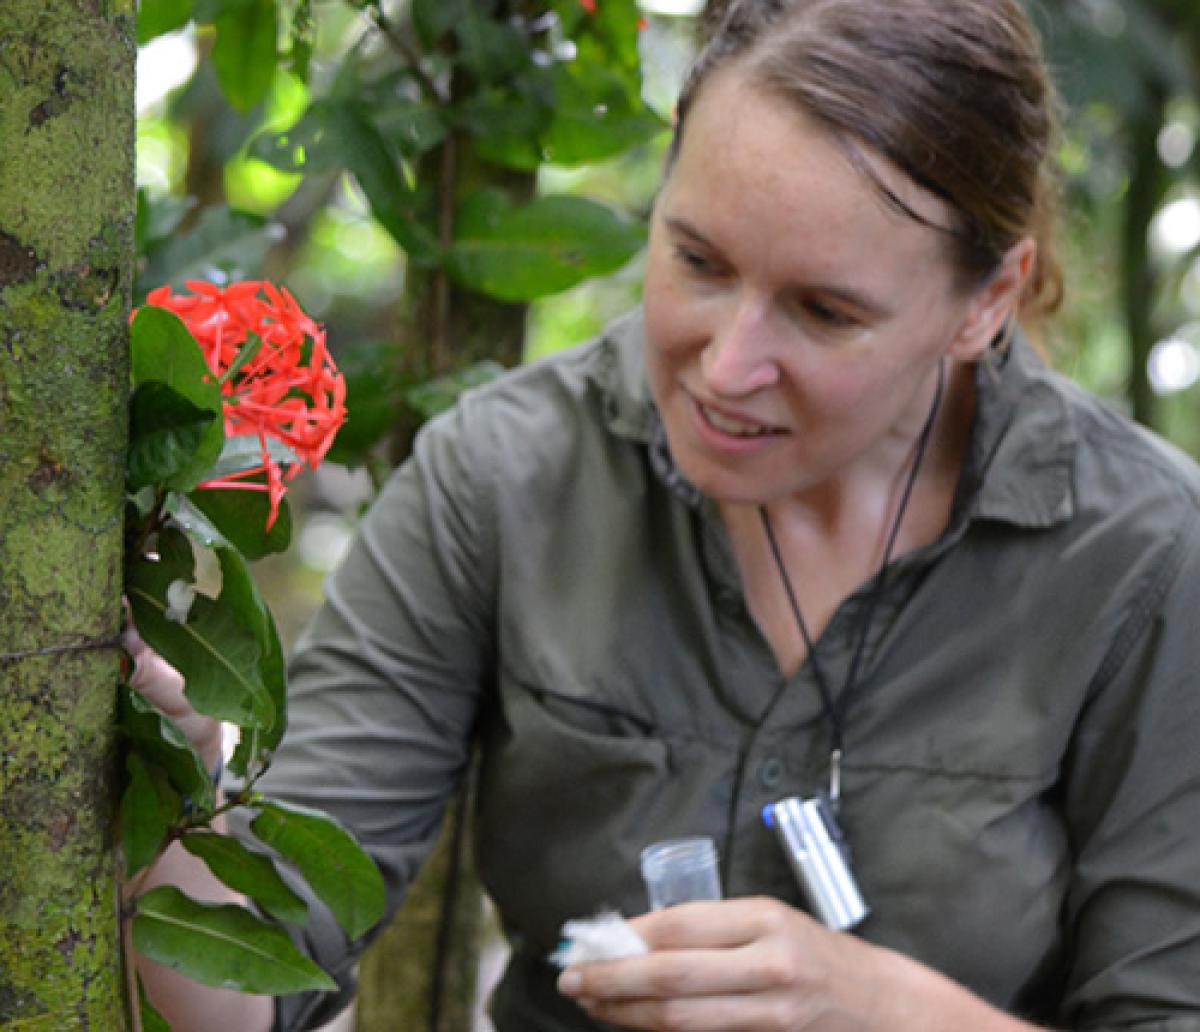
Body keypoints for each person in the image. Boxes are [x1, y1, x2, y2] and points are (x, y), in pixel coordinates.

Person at [132, 0, 1200, 1029]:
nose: (727, 369)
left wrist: (878, 1010)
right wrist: (158, 761)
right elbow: (250, 982)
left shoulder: (1137, 552)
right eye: (698, 262)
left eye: (825, 313)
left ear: (987, 301)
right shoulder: (503, 480)